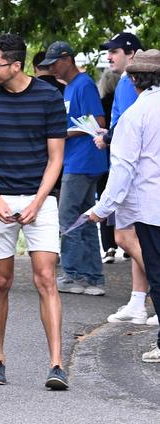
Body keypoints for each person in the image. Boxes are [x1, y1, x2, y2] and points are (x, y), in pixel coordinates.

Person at [0, 34, 68, 389]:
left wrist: (39, 201)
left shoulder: (49, 96)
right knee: (1, 280)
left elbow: (56, 156)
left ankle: (56, 364)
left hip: (40, 198)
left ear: (16, 65)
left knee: (46, 279)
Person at [88, 49, 160, 362]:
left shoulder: (135, 115)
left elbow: (123, 169)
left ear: (132, 79)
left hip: (149, 204)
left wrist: (102, 208)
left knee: (157, 273)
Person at [42, 41, 109, 295]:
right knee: (85, 219)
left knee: (67, 218)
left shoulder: (84, 84)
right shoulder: (70, 87)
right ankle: (93, 279)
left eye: (55, 64)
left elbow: (99, 123)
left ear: (67, 59)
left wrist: (63, 133)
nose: (52, 70)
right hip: (77, 160)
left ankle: (73, 275)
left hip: (83, 161)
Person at [95, 69, 120, 264]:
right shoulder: (125, 101)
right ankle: (128, 244)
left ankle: (109, 246)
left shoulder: (102, 104)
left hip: (103, 158)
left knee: (104, 198)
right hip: (120, 157)